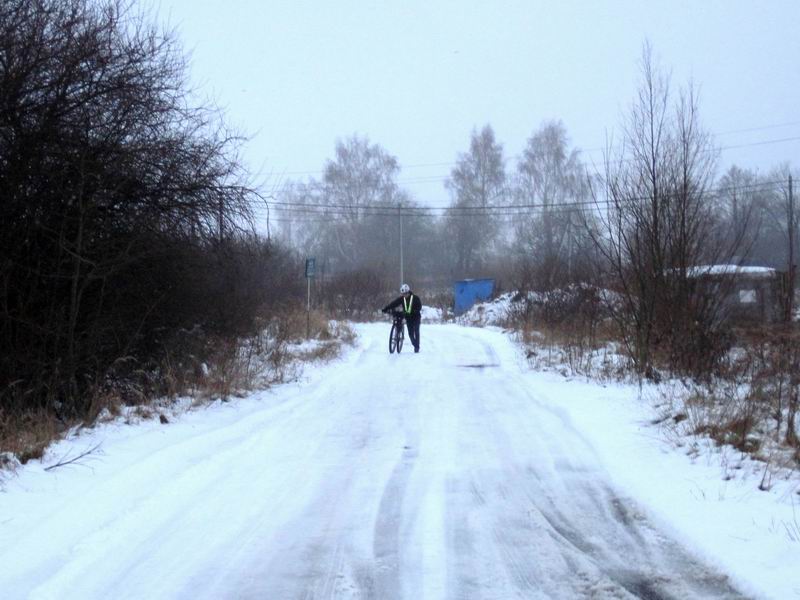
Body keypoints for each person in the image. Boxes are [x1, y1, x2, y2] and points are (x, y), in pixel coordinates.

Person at [382, 283, 422, 353]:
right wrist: (386, 308)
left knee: (416, 331)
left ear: (408, 292)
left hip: (416, 317)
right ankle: (414, 344)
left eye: (406, 293)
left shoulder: (415, 298)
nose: (404, 295)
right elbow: (394, 303)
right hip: (408, 318)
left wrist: (415, 310)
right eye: (403, 294)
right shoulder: (402, 299)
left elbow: (419, 306)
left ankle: (417, 347)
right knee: (411, 334)